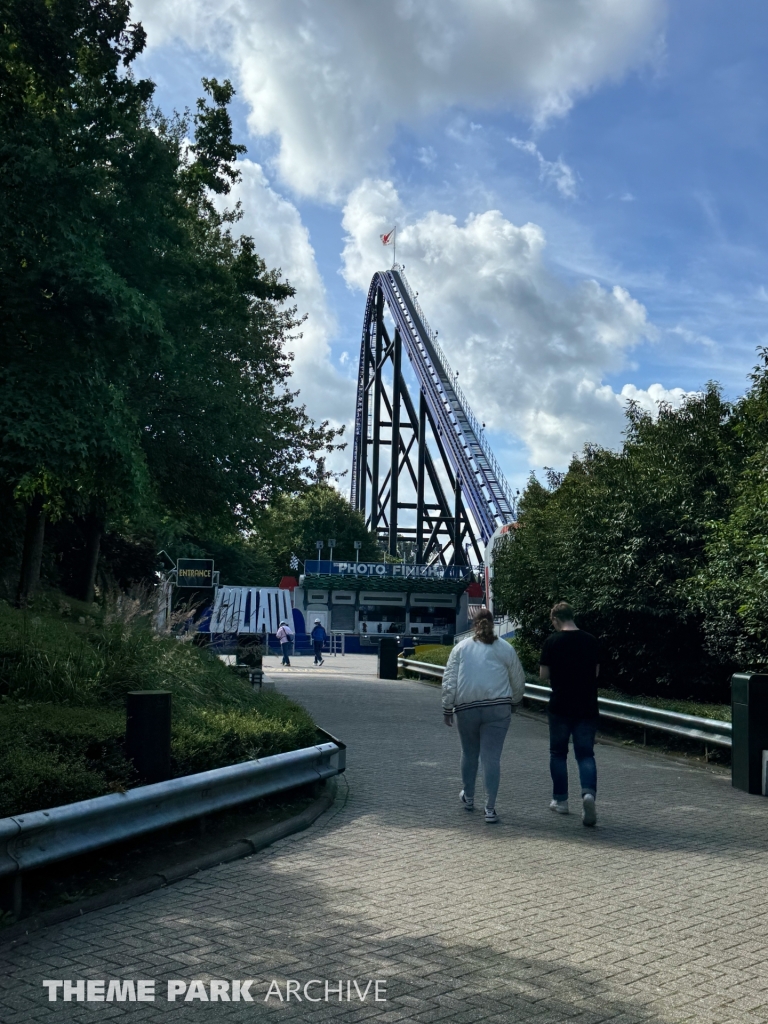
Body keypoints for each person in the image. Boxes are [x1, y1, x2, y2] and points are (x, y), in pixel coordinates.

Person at [441, 608, 525, 823]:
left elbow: (450, 680)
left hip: (466, 707)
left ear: (473, 624)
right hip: (498, 709)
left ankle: (468, 797)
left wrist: (447, 707)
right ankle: (490, 808)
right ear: (492, 624)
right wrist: (514, 702)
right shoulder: (505, 648)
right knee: (491, 758)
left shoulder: (460, 648)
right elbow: (518, 678)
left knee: (469, 754)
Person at [540, 601, 600, 827]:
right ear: (572, 616)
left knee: (558, 753)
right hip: (586, 707)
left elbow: (544, 674)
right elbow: (595, 672)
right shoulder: (591, 641)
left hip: (560, 706)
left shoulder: (552, 642)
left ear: (556, 619)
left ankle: (561, 800)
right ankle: (588, 795)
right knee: (585, 754)